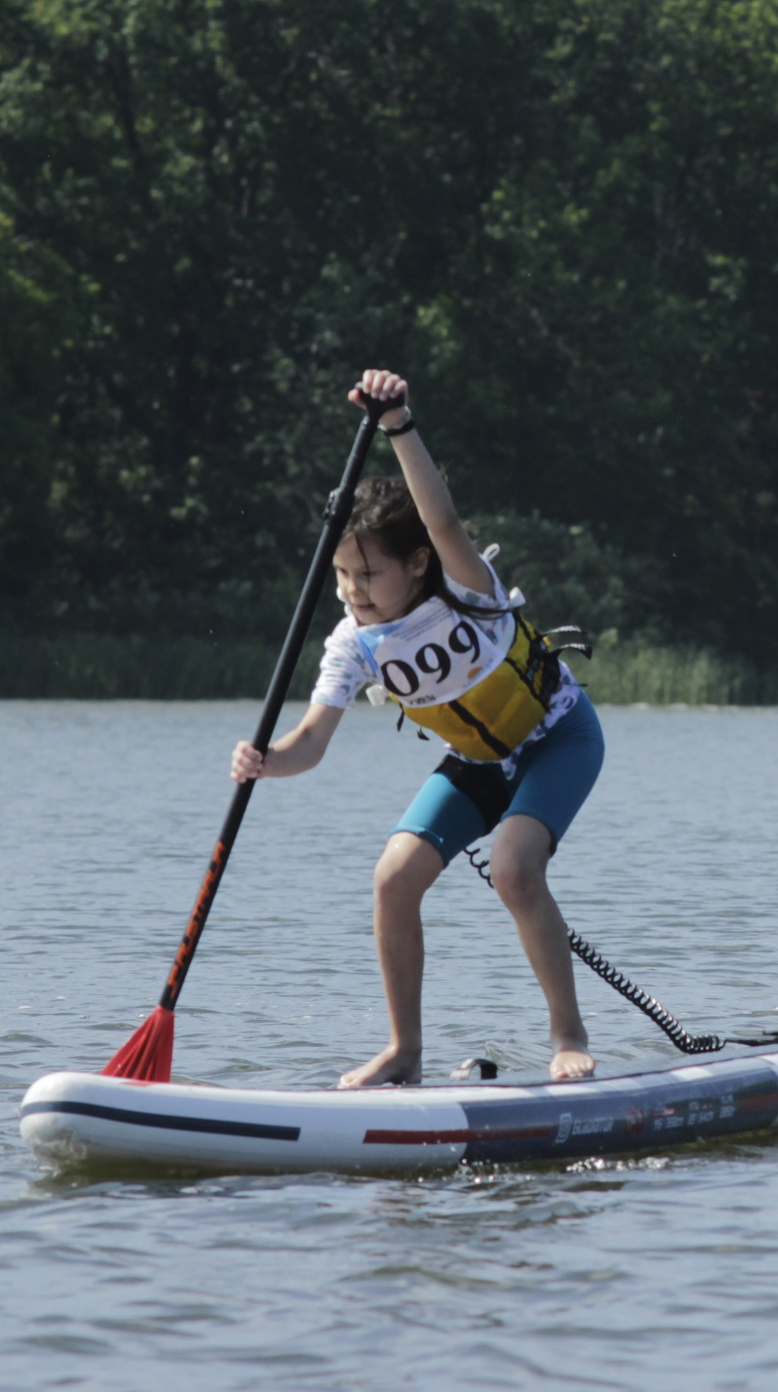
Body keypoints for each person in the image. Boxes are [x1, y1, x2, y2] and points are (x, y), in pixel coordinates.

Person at [229, 368, 603, 1086]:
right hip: (478, 761)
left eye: (367, 575)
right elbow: (309, 742)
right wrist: (265, 760)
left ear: (418, 564)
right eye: (341, 574)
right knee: (393, 879)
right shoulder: (353, 644)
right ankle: (404, 1050)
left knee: (514, 869)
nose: (351, 591)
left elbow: (442, 519)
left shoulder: (465, 587)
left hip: (557, 737)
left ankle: (568, 1034)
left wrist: (399, 422)